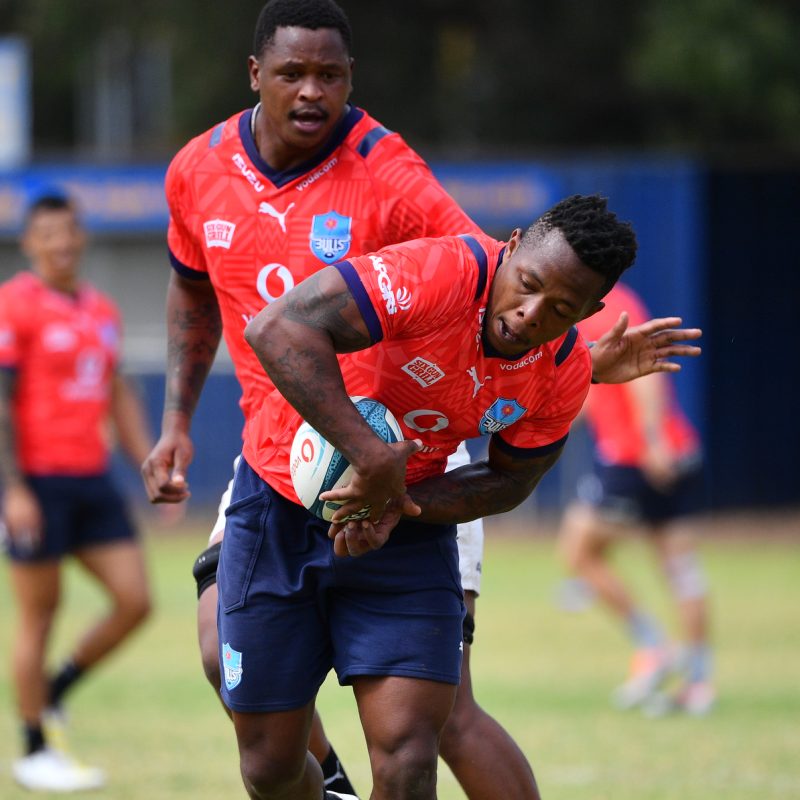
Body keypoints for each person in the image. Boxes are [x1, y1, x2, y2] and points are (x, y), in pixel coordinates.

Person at [139, 4, 702, 798]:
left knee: (438, 721)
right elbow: (195, 290)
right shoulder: (195, 170)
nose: (311, 91)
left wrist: (569, 360)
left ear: (352, 79)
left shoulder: (393, 177)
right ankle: (332, 785)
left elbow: (497, 288)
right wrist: (175, 422)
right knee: (226, 672)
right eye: (294, 73)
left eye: (330, 75)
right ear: (255, 74)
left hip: (417, 458)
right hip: (283, 459)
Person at [218, 192, 698, 800]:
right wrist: (371, 456)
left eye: (560, 309)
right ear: (512, 247)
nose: (529, 314)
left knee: (410, 755)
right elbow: (276, 327)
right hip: (278, 507)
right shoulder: (439, 273)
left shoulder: (564, 368)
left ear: (590, 311)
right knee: (269, 765)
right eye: (528, 285)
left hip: (408, 534)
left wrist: (396, 501)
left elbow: (510, 481)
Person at [0, 194, 154, 792]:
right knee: (40, 613)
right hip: (35, 482)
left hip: (91, 477)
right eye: (47, 234)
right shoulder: (15, 304)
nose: (60, 243)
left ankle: (57, 690)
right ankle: (34, 748)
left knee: (135, 600)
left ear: (81, 236)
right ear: (29, 243)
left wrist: (148, 462)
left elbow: (117, 393)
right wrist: (13, 489)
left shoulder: (101, 310)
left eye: (68, 231)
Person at [558, 281, 713, 715]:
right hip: (674, 448)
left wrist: (651, 439)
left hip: (634, 457)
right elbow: (591, 390)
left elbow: (646, 374)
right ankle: (699, 682)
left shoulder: (606, 309)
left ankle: (654, 647)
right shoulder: (611, 303)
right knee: (681, 568)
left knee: (579, 552)